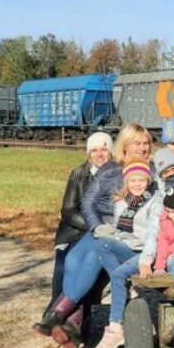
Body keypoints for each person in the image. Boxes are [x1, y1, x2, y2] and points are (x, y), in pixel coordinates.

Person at [35, 123, 152, 348]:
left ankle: (58, 314)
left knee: (91, 257)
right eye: (137, 143)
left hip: (125, 232)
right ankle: (73, 323)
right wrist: (96, 226)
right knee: (71, 259)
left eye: (146, 143)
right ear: (125, 146)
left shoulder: (150, 171)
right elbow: (87, 202)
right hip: (101, 228)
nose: (143, 147)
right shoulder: (109, 169)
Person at [91, 160, 163, 348]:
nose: (138, 184)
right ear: (127, 182)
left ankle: (115, 329)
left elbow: (153, 234)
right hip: (128, 249)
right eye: (133, 180)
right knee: (101, 243)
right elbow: (121, 232)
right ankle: (125, 287)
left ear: (148, 181)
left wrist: (146, 259)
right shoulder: (121, 201)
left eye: (142, 180)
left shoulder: (155, 201)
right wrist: (109, 232)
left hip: (146, 253)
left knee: (117, 275)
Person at [46, 131, 113, 306]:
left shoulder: (117, 174)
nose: (99, 154)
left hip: (106, 231)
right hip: (75, 230)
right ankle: (55, 308)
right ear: (88, 154)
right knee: (64, 265)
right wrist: (93, 225)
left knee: (93, 267)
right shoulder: (78, 174)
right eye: (94, 150)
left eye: (103, 150)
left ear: (111, 152)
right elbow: (68, 210)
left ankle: (80, 313)